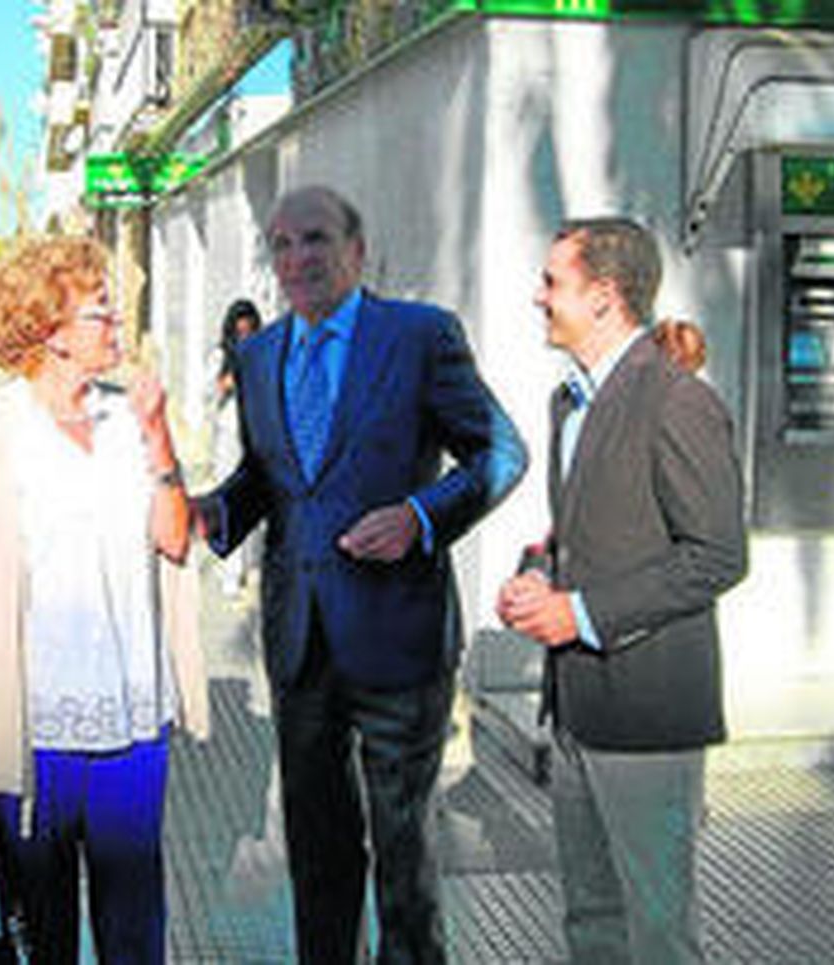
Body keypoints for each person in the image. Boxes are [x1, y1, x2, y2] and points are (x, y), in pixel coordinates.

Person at [193, 185, 527, 964]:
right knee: (317, 848)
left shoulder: (419, 336)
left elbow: (500, 451)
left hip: (398, 638)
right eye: (281, 244)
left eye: (314, 238)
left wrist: (420, 516)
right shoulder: (258, 354)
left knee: (404, 856)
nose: (296, 258)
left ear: (357, 248)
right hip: (300, 641)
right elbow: (267, 477)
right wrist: (214, 511)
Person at [0, 235, 209, 964]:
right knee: (42, 934)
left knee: (134, 928)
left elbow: (176, 541)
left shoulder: (127, 420)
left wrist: (158, 433)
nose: (117, 324)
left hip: (131, 719)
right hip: (31, 726)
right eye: (100, 312)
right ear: (51, 331)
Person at [496, 218, 746, 964]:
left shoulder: (675, 401)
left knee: (658, 929)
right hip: (577, 707)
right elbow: (593, 533)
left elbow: (718, 555)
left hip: (649, 715)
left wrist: (578, 613)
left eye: (552, 282)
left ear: (604, 296)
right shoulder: (568, 402)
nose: (538, 296)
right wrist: (541, 574)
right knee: (591, 919)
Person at [211, 298, 264, 598]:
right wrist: (225, 383)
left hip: (256, 435)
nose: (245, 337)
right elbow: (207, 392)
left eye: (250, 331)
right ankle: (230, 573)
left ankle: (252, 566)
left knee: (257, 499)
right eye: (240, 332)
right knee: (231, 501)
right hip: (230, 433)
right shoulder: (220, 356)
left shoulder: (264, 354)